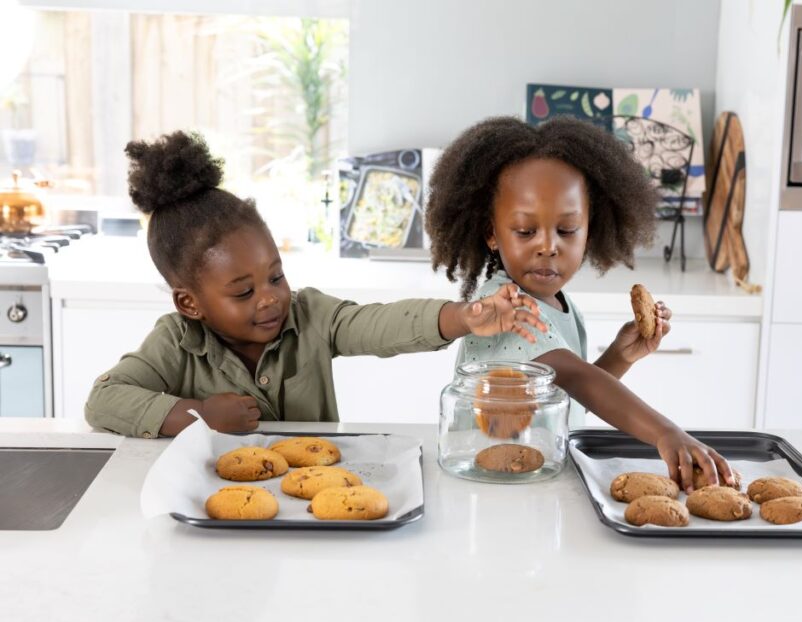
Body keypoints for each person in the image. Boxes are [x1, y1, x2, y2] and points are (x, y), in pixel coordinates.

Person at [85, 130, 546, 438]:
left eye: (276, 276)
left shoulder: (310, 316)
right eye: (243, 292)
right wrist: (196, 416)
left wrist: (465, 316)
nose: (269, 298)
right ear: (190, 303)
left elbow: (377, 324)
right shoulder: (175, 342)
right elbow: (104, 400)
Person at [425, 116, 733, 491]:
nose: (548, 245)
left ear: (591, 229)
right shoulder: (507, 307)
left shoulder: (558, 302)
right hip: (490, 485)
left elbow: (566, 392)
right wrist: (666, 433)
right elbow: (576, 378)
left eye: (567, 230)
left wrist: (620, 357)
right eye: (525, 231)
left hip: (538, 477)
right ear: (491, 232)